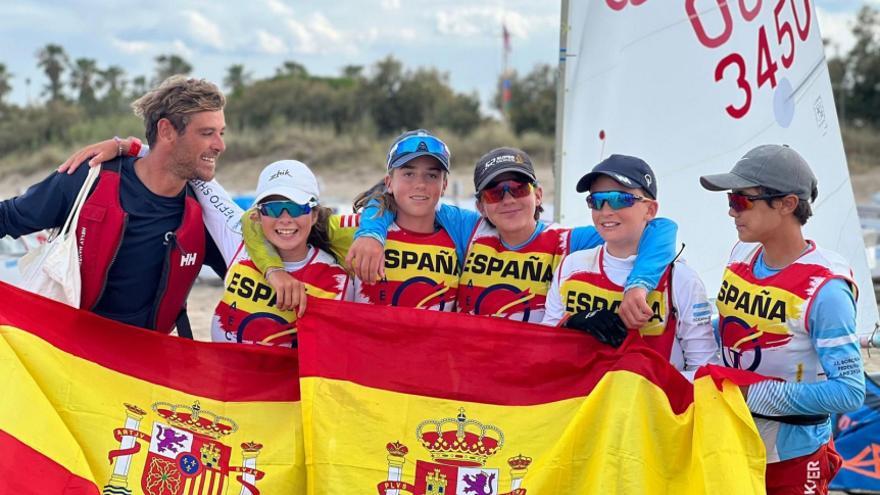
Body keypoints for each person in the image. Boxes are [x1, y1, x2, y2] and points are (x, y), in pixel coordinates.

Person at [348, 147, 678, 326]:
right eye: (494, 193)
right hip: (464, 373)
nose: (507, 200)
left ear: (538, 195)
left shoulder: (565, 241)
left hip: (523, 380)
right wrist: (370, 233)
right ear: (480, 205)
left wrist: (639, 284)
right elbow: (393, 199)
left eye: (518, 188)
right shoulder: (469, 228)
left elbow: (659, 228)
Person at [0, 76, 228, 334]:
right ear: (166, 131)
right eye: (207, 133)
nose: (220, 145)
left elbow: (244, 272)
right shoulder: (88, 181)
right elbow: (7, 217)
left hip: (141, 365)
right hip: (67, 353)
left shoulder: (206, 214)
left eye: (221, 133)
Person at [700, 144, 865, 494]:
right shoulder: (742, 251)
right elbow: (736, 328)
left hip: (792, 454)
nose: (732, 212)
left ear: (787, 204)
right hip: (732, 438)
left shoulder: (827, 289)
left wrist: (756, 395)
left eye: (742, 201)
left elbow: (850, 392)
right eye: (730, 200)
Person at [542, 154, 718, 380]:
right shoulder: (572, 265)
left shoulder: (681, 278)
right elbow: (545, 345)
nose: (605, 210)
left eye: (619, 199)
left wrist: (638, 388)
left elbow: (704, 370)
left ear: (650, 210)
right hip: (582, 403)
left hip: (652, 409)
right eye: (595, 201)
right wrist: (570, 324)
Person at [245, 129, 461, 311]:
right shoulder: (357, 231)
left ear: (444, 184)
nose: (420, 184)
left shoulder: (462, 234)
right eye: (408, 174)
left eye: (432, 175)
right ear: (389, 182)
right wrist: (275, 272)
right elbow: (252, 220)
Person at [197, 160, 351, 347]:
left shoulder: (337, 279)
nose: (285, 219)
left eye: (296, 208)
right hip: (225, 372)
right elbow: (200, 180)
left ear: (314, 215)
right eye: (273, 209)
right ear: (257, 215)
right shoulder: (238, 241)